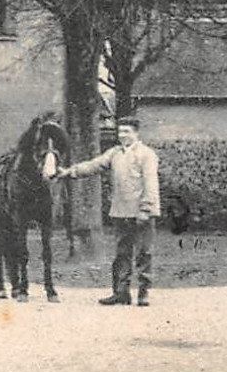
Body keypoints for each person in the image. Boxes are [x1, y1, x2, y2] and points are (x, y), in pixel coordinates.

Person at [57, 115, 160, 306]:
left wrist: (146, 209)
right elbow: (93, 165)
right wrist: (69, 172)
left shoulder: (147, 154)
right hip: (120, 212)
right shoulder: (114, 153)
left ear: (136, 133)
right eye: (120, 131)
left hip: (142, 213)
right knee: (122, 254)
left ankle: (144, 293)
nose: (122, 135)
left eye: (127, 131)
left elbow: (151, 184)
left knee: (144, 253)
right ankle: (121, 293)